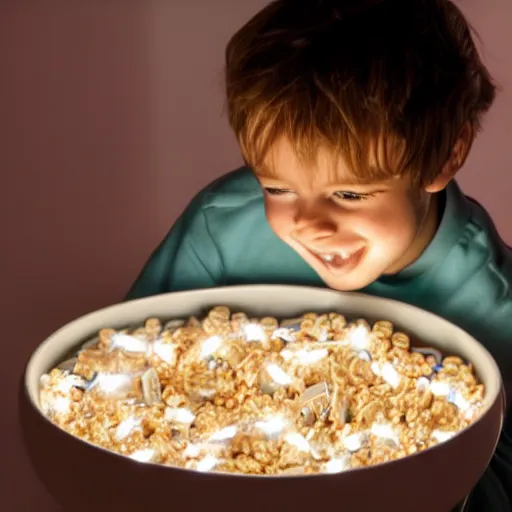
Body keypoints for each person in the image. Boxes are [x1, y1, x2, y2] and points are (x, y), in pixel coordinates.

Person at [125, 0, 512, 509]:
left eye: (349, 194)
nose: (308, 224)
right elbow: (134, 368)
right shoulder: (221, 227)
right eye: (277, 188)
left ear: (445, 156)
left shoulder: (494, 309)